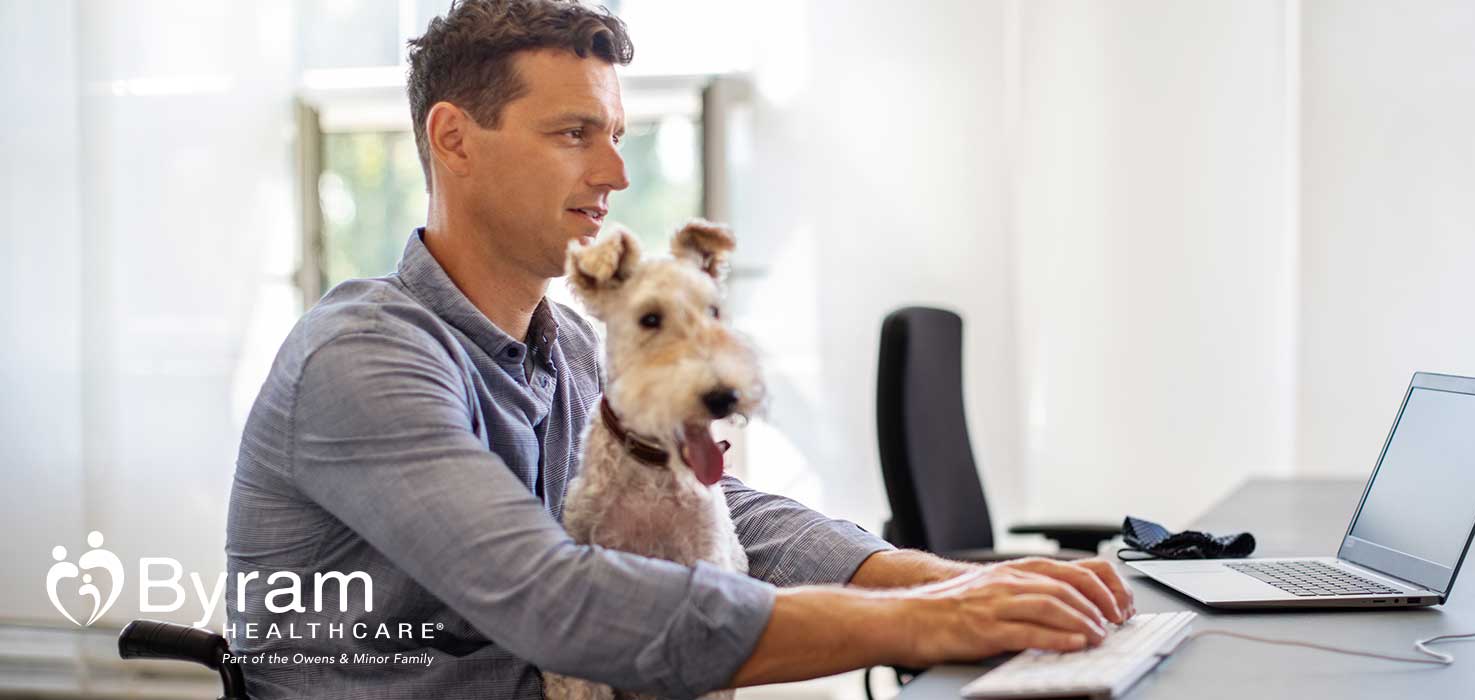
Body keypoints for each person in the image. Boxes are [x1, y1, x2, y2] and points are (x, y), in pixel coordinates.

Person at [225, 1, 1133, 697]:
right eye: (575, 133)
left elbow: (715, 507)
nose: (617, 174)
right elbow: (557, 601)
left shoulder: (572, 347)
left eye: (615, 135)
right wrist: (924, 626)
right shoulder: (361, 358)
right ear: (454, 139)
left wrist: (940, 582)